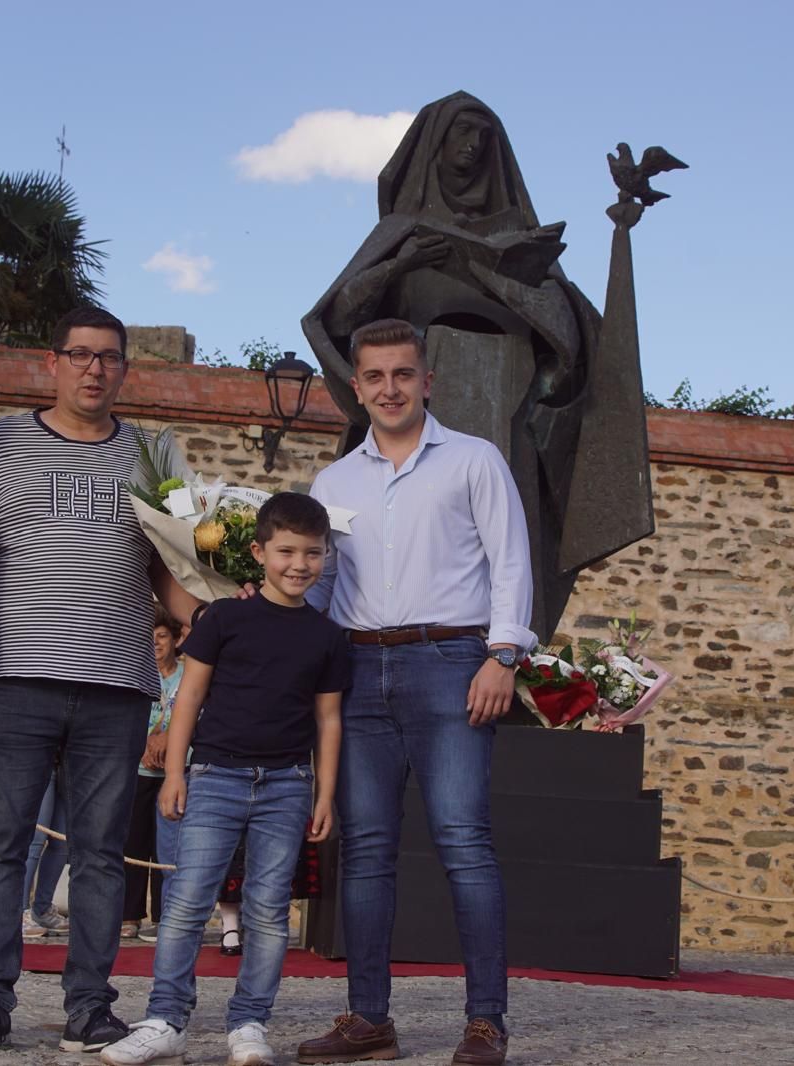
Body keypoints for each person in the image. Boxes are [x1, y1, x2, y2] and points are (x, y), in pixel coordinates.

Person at [301, 91, 648, 643]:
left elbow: (567, 333)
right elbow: (339, 314)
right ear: (432, 148)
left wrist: (514, 283)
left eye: (482, 139)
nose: (470, 148)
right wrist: (403, 263)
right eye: (460, 135)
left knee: (511, 539)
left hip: (507, 399)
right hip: (422, 397)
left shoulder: (516, 232)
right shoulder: (403, 232)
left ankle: (509, 650)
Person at [0, 306, 201, 1053]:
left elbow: (174, 566)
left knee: (98, 852)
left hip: (118, 683)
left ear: (125, 369)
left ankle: (91, 1005)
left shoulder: (154, 456)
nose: (95, 369)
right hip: (12, 677)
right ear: (51, 362)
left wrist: (213, 617)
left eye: (110, 358)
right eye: (81, 355)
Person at [297, 319, 533, 1066]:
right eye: (375, 376)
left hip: (451, 662)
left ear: (427, 381)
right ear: (358, 386)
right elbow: (319, 583)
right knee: (365, 851)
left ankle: (486, 1021)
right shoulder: (332, 485)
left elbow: (510, 563)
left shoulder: (473, 460)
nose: (389, 388)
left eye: (403, 374)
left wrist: (502, 656)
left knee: (464, 843)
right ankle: (370, 1019)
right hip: (358, 669)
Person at [100, 492, 347, 1066]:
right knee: (187, 901)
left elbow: (328, 719)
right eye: (286, 551)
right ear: (259, 552)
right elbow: (188, 697)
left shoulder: (327, 637)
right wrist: (175, 774)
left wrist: (324, 792)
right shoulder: (225, 618)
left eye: (313, 553)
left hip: (287, 784)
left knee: (266, 908)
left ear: (326, 556)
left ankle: (250, 1022)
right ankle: (165, 1018)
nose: (299, 564)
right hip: (214, 777)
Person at [121, 607, 184, 941]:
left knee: (168, 848)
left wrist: (168, 741)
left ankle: (165, 915)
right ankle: (129, 915)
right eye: (152, 637)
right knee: (134, 841)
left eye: (162, 636)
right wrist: (145, 743)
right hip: (140, 766)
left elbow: (195, 712)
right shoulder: (137, 670)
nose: (157, 643)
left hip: (176, 769)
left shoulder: (187, 674)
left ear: (175, 639)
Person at [19, 769, 69, 938]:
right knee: (35, 840)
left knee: (62, 842)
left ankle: (42, 908)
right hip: (42, 762)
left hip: (67, 766)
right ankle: (19, 910)